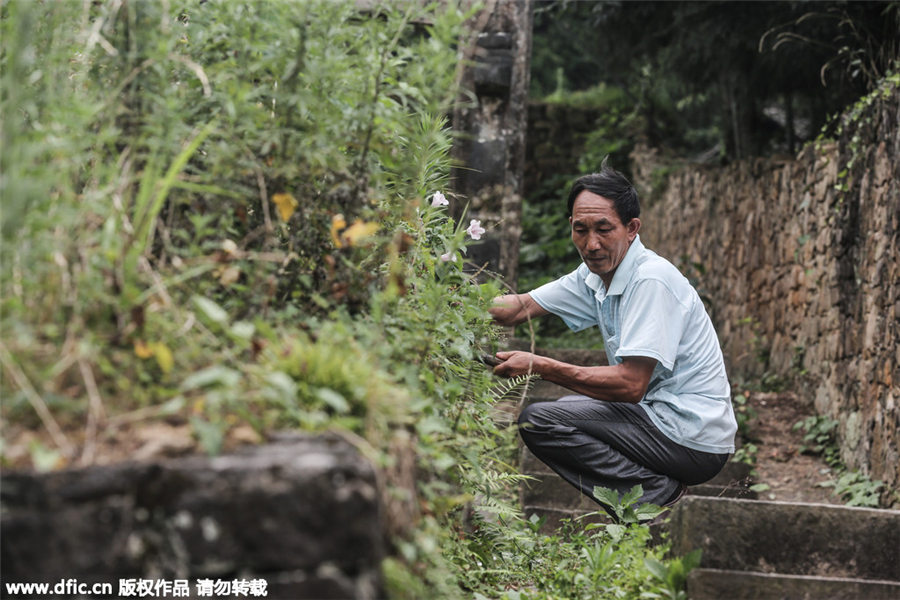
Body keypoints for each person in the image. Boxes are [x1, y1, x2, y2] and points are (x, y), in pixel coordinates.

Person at [489, 164, 736, 517]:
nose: (591, 244)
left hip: (692, 437)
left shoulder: (650, 279)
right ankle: (646, 496)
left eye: (604, 229)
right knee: (548, 416)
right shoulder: (595, 274)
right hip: (654, 421)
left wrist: (539, 365)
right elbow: (519, 307)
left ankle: (653, 495)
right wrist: (449, 296)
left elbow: (630, 384)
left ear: (632, 228)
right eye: (581, 230)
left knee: (541, 420)